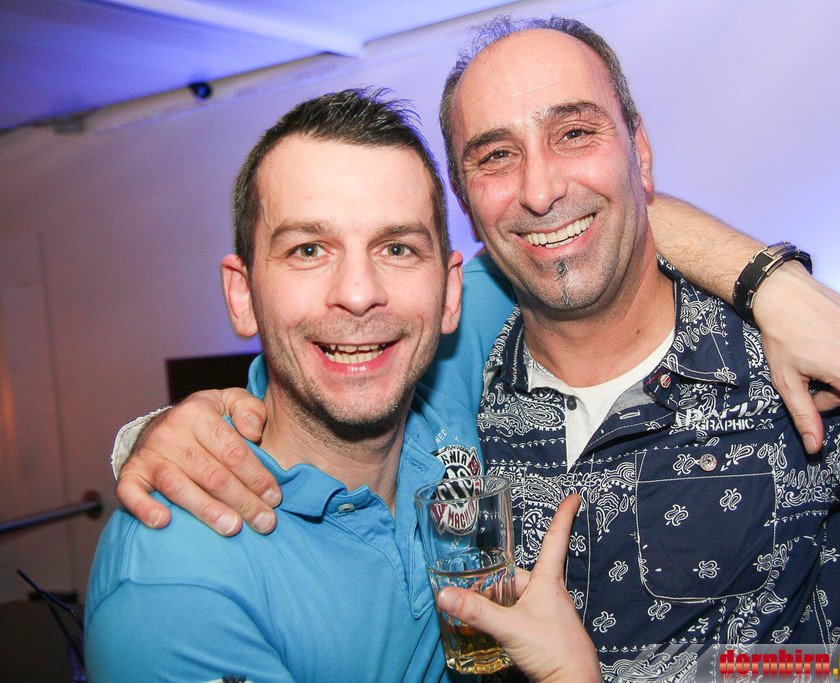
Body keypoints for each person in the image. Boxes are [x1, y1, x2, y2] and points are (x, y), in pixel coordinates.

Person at [110, 14, 840, 677]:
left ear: (640, 152)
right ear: (470, 210)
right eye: (495, 155)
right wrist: (158, 433)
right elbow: (325, 378)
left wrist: (768, 280)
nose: (541, 188)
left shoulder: (794, 358)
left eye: (575, 132)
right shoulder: (455, 368)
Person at [85, 89, 600, 683]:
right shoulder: (175, 588)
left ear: (450, 293)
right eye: (308, 250)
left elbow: (607, 216)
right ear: (242, 295)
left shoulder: (445, 370)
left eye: (397, 248)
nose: (358, 293)